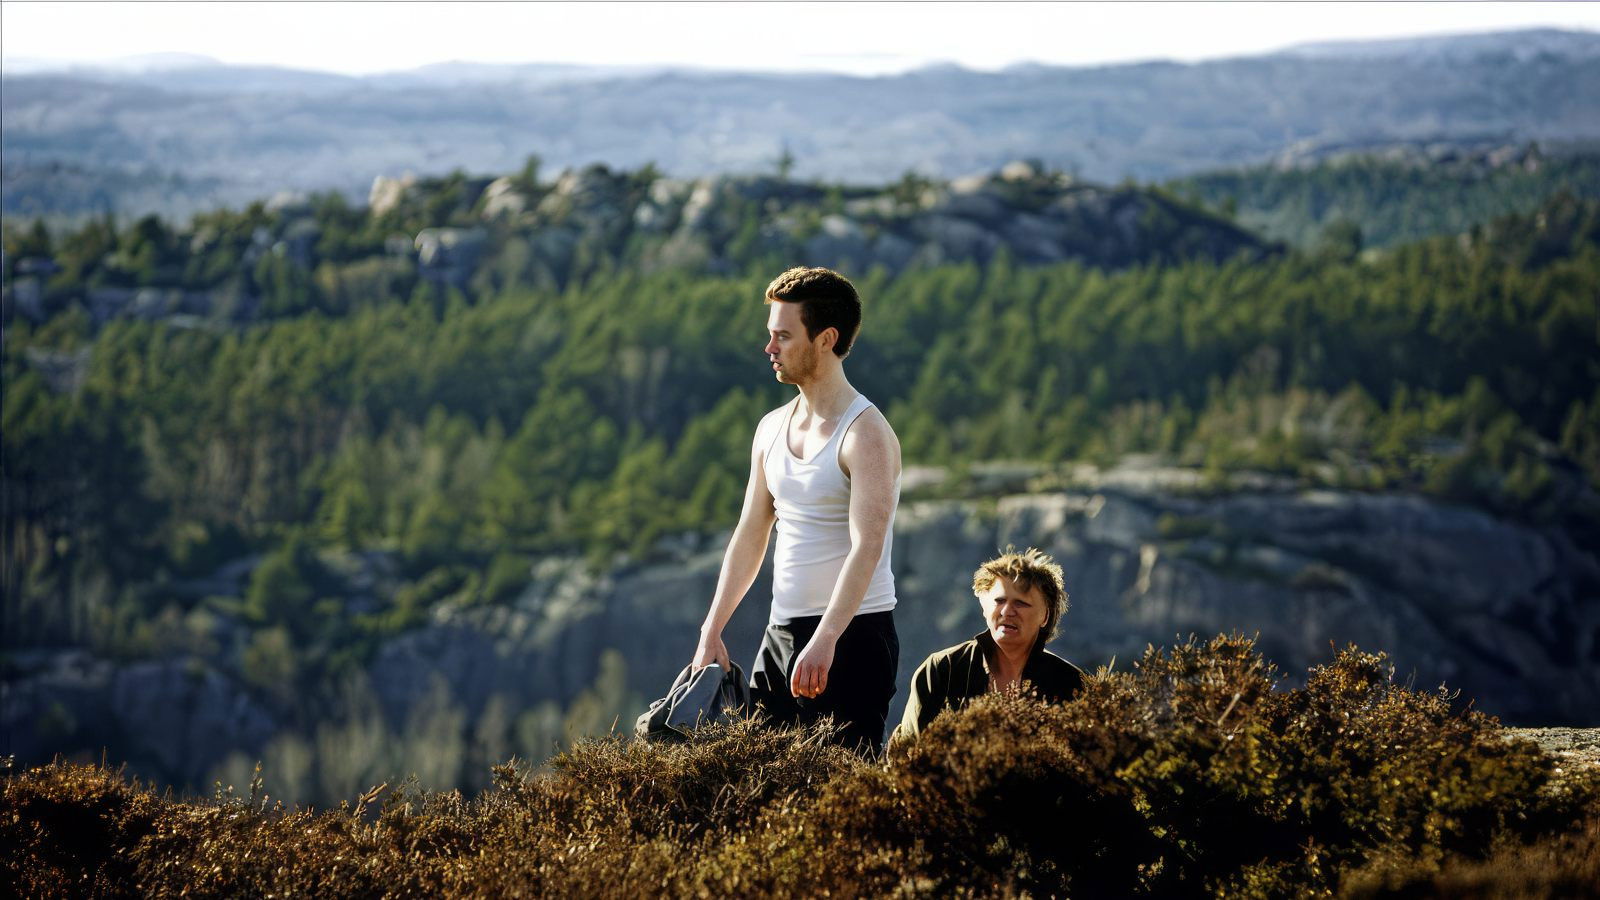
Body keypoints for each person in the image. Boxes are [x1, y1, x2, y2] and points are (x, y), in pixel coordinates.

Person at [690, 266, 902, 753]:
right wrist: (712, 629)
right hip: (781, 633)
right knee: (762, 785)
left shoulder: (866, 434)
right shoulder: (770, 428)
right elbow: (751, 532)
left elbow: (867, 547)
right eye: (771, 334)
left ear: (826, 339)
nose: (770, 348)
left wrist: (826, 639)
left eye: (783, 336)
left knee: (843, 789)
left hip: (852, 637)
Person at [893, 547, 1085, 743]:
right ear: (985, 608)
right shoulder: (943, 669)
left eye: (1021, 603)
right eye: (999, 601)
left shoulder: (1071, 683)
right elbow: (908, 750)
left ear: (1045, 616)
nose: (1006, 611)